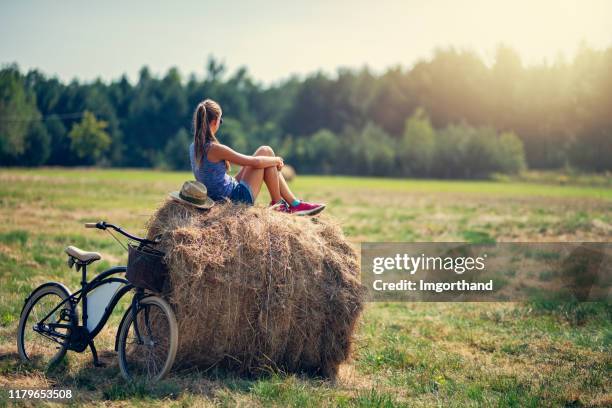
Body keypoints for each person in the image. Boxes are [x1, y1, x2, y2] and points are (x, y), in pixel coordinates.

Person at [189, 99, 326, 215]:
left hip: (219, 195)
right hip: (235, 199)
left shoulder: (193, 147)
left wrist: (271, 161)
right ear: (214, 122)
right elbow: (255, 162)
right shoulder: (214, 148)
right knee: (266, 151)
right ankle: (282, 204)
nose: (220, 123)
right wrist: (277, 160)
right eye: (221, 120)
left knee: (266, 158)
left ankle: (292, 204)